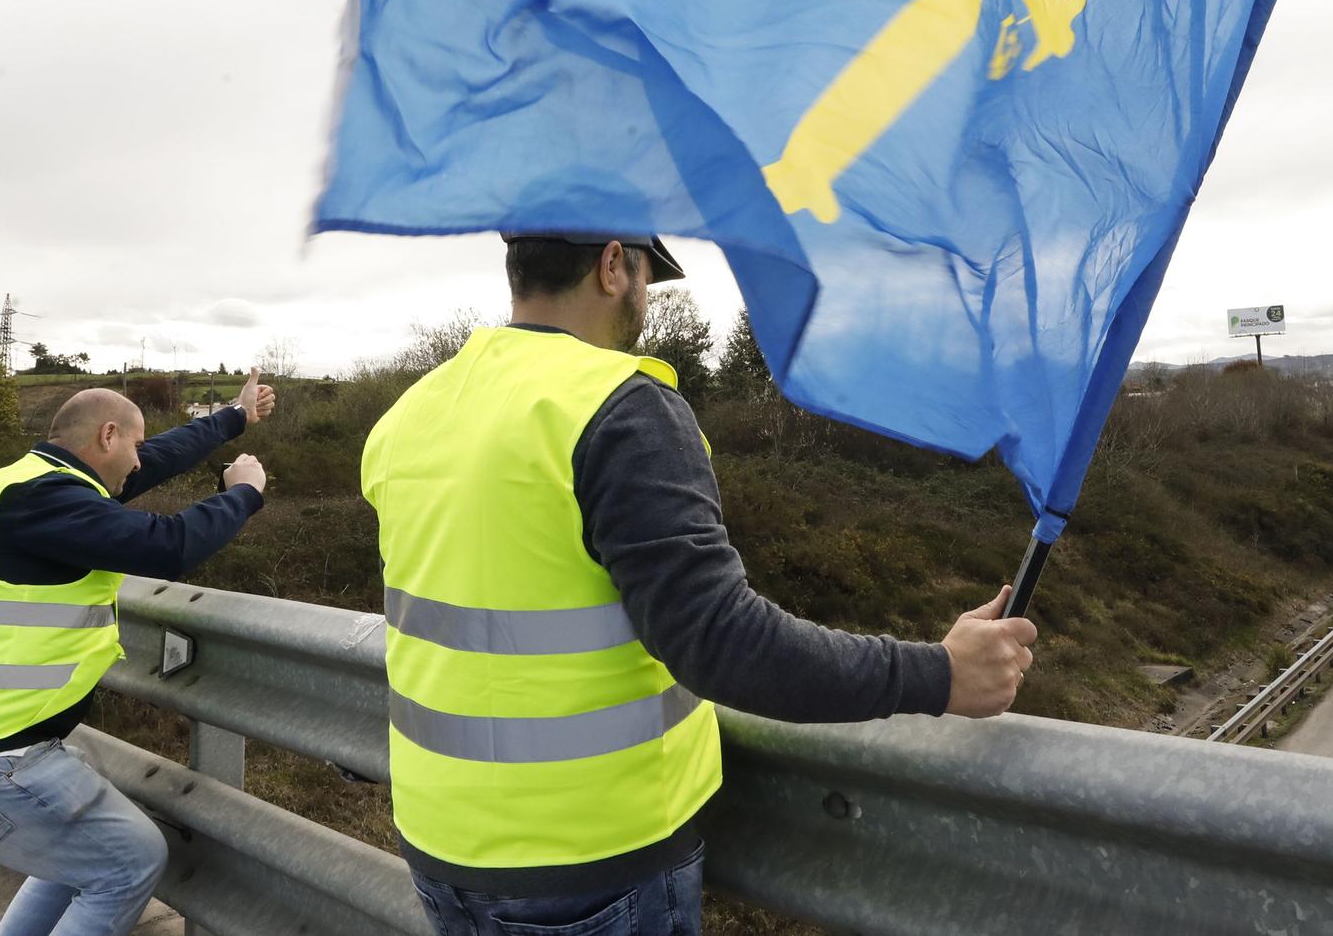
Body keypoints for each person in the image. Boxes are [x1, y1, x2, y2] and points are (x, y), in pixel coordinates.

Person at [363, 234, 1037, 936]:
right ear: (613, 263)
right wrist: (938, 673)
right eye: (648, 273)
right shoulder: (617, 407)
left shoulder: (412, 413)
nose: (647, 294)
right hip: (589, 865)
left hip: (439, 849)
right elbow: (721, 638)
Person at [0, 368, 278, 936]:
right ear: (107, 437)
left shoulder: (22, 485)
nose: (140, 463)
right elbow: (169, 547)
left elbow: (157, 458)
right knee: (127, 862)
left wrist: (234, 418)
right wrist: (244, 492)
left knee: (79, 861)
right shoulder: (44, 500)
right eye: (133, 445)